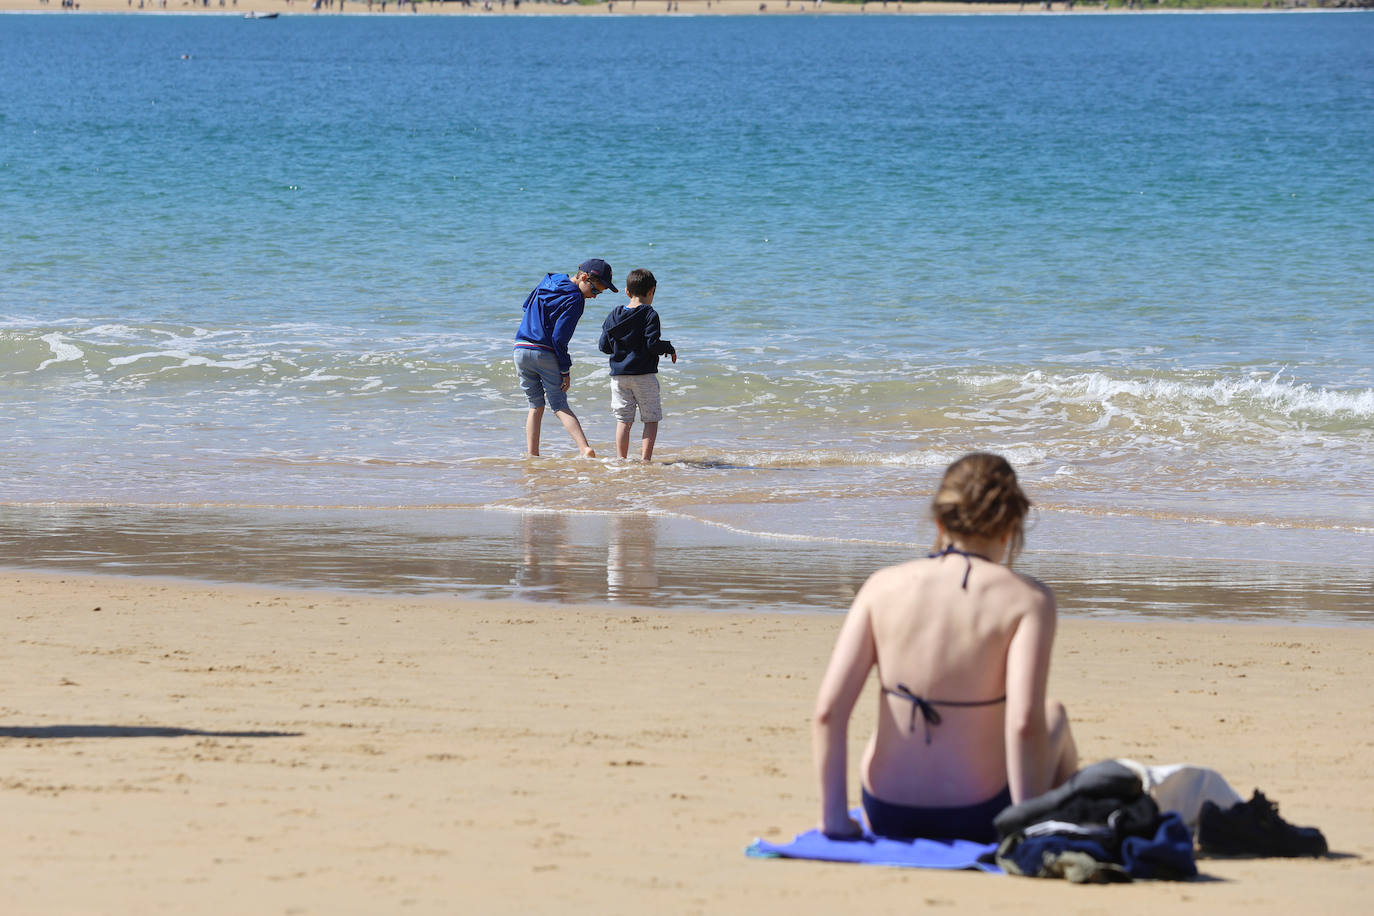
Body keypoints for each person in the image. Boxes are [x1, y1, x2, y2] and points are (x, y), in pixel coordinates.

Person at [812, 452, 1078, 842]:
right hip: (980, 816)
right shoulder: (1028, 600)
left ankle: (837, 817)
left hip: (886, 811)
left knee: (886, 726)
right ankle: (1032, 826)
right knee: (1053, 717)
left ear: (939, 521)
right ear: (1011, 528)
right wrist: (1018, 832)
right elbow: (1023, 725)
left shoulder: (881, 585)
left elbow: (827, 713)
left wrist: (834, 818)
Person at [513, 259, 617, 458]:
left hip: (520, 348)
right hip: (544, 351)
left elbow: (526, 306)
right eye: (595, 291)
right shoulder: (576, 299)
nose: (594, 297)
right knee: (559, 404)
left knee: (535, 405)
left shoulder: (548, 280)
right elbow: (559, 339)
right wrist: (565, 370)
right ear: (584, 278)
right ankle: (585, 448)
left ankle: (532, 455)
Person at [597, 268, 677, 461]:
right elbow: (653, 344)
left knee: (623, 420)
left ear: (626, 291)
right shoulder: (650, 314)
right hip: (643, 376)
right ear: (652, 291)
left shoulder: (614, 314)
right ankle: (645, 461)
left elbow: (603, 346)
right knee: (650, 419)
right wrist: (669, 347)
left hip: (618, 377)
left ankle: (621, 460)